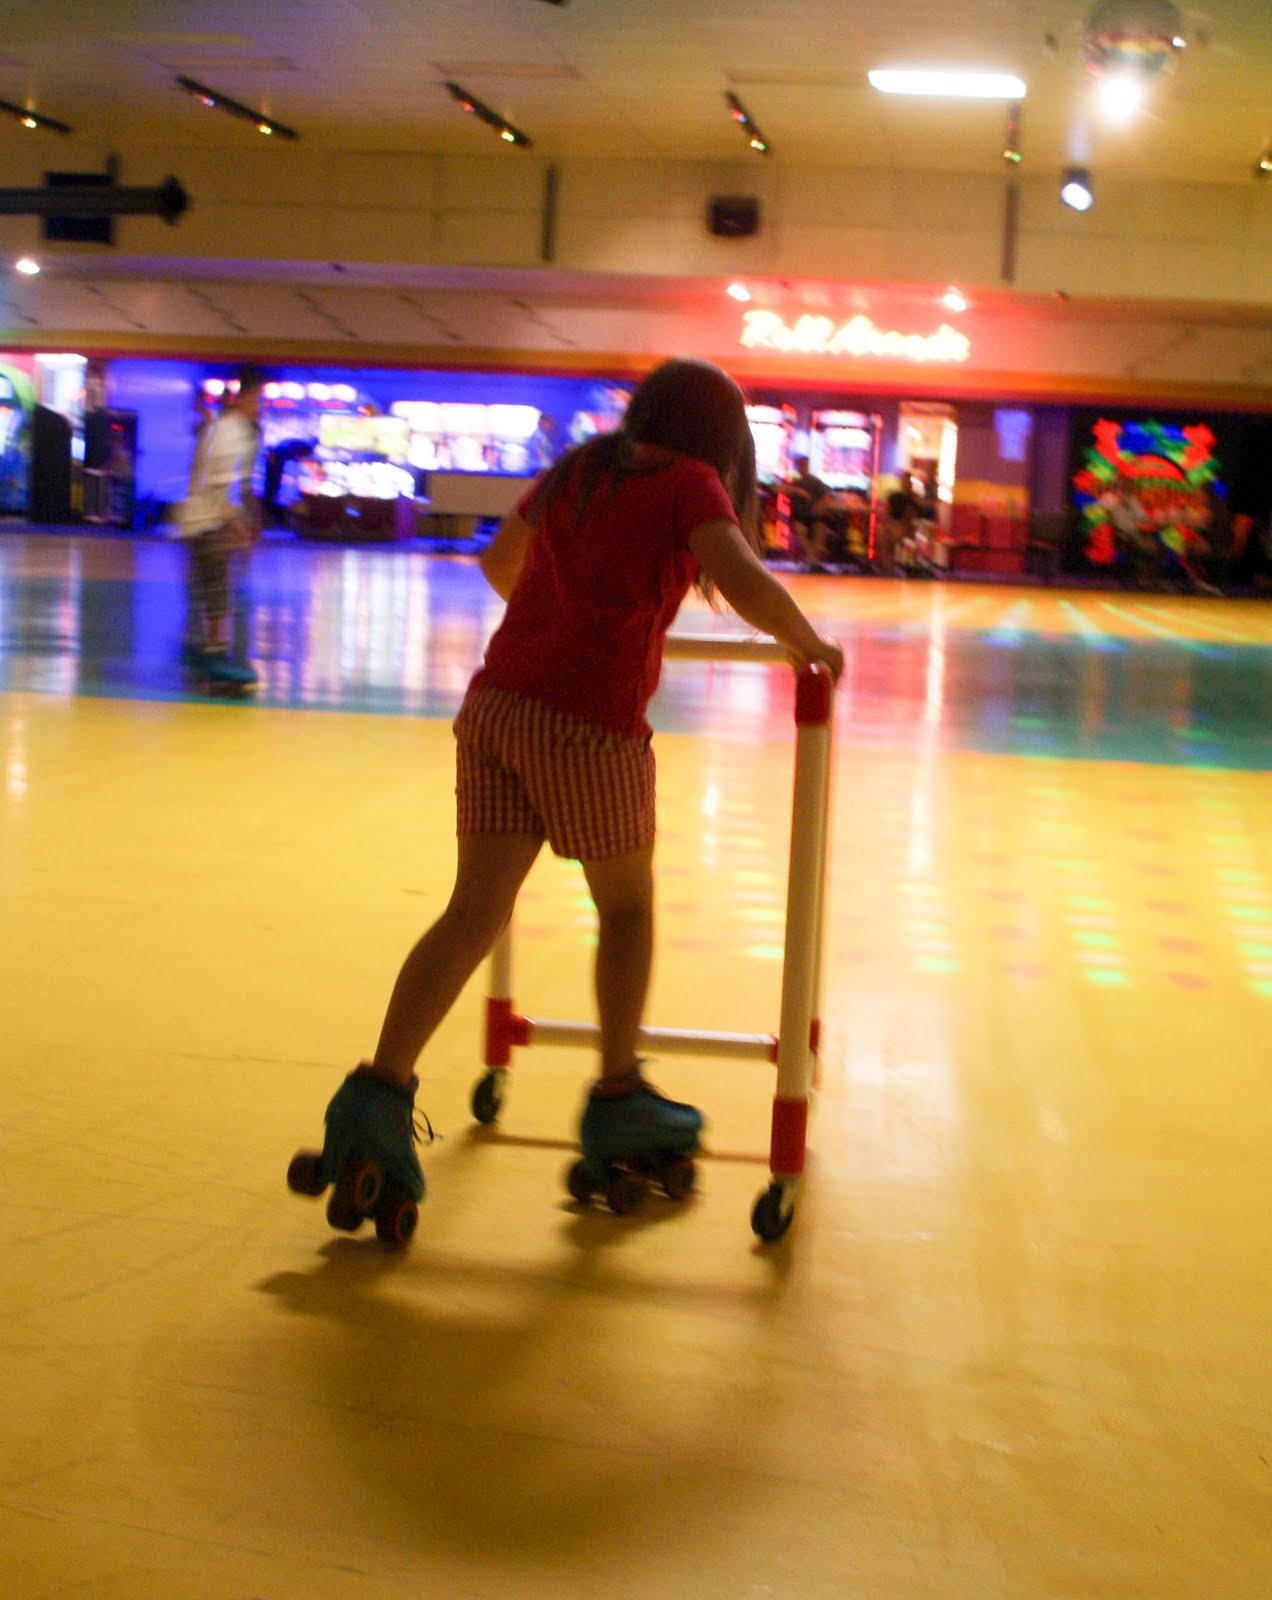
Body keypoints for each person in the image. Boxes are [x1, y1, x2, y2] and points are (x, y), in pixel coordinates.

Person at [290, 358, 845, 1230]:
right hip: (588, 727)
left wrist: (563, 614)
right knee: (625, 907)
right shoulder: (691, 482)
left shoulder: (580, 465)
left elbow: (499, 562)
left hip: (497, 707)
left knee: (473, 911)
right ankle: (618, 1090)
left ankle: (377, 1095)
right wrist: (808, 642)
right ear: (722, 442)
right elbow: (738, 577)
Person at [177, 366, 264, 688]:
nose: (260, 407)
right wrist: (237, 524)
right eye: (258, 399)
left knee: (208, 589)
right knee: (217, 591)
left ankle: (207, 652)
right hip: (209, 521)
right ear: (245, 397)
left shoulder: (219, 427)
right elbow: (219, 485)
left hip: (196, 520)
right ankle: (214, 656)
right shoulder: (232, 431)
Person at [785, 454, 832, 570]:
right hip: (799, 517)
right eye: (801, 465)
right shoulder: (795, 483)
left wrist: (819, 506)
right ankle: (812, 560)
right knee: (800, 530)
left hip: (815, 517)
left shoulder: (816, 482)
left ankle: (810, 559)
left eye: (805, 465)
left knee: (820, 528)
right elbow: (777, 488)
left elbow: (826, 496)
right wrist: (798, 491)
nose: (803, 467)